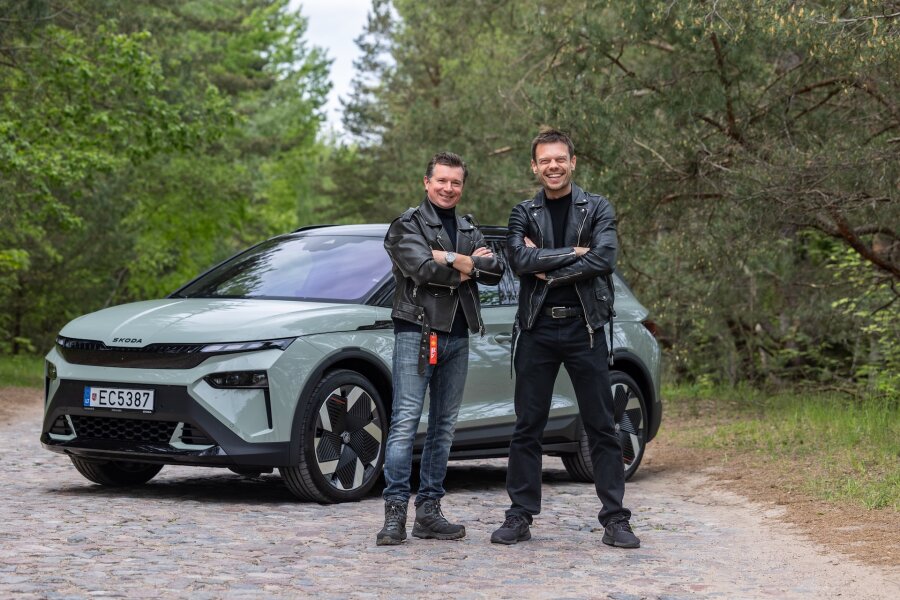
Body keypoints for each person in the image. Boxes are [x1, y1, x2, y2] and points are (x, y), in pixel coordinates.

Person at [491, 129, 640, 548]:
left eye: (560, 159)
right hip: (536, 328)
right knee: (527, 426)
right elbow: (519, 260)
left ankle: (616, 519)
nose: (553, 166)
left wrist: (548, 268)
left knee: (601, 425)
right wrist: (574, 253)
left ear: (572, 162)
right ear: (534, 167)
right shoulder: (523, 212)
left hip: (585, 327)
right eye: (545, 160)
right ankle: (519, 515)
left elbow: (604, 258)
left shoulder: (597, 207)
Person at [378, 151, 503, 546]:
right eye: (442, 181)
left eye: (455, 182)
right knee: (405, 423)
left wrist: (449, 257)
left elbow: (495, 271)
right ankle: (395, 514)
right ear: (426, 182)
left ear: (461, 186)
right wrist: (467, 266)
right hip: (417, 332)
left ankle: (429, 512)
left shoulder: (468, 226)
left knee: (444, 427)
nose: (448, 188)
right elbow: (422, 270)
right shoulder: (406, 225)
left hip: (458, 334)